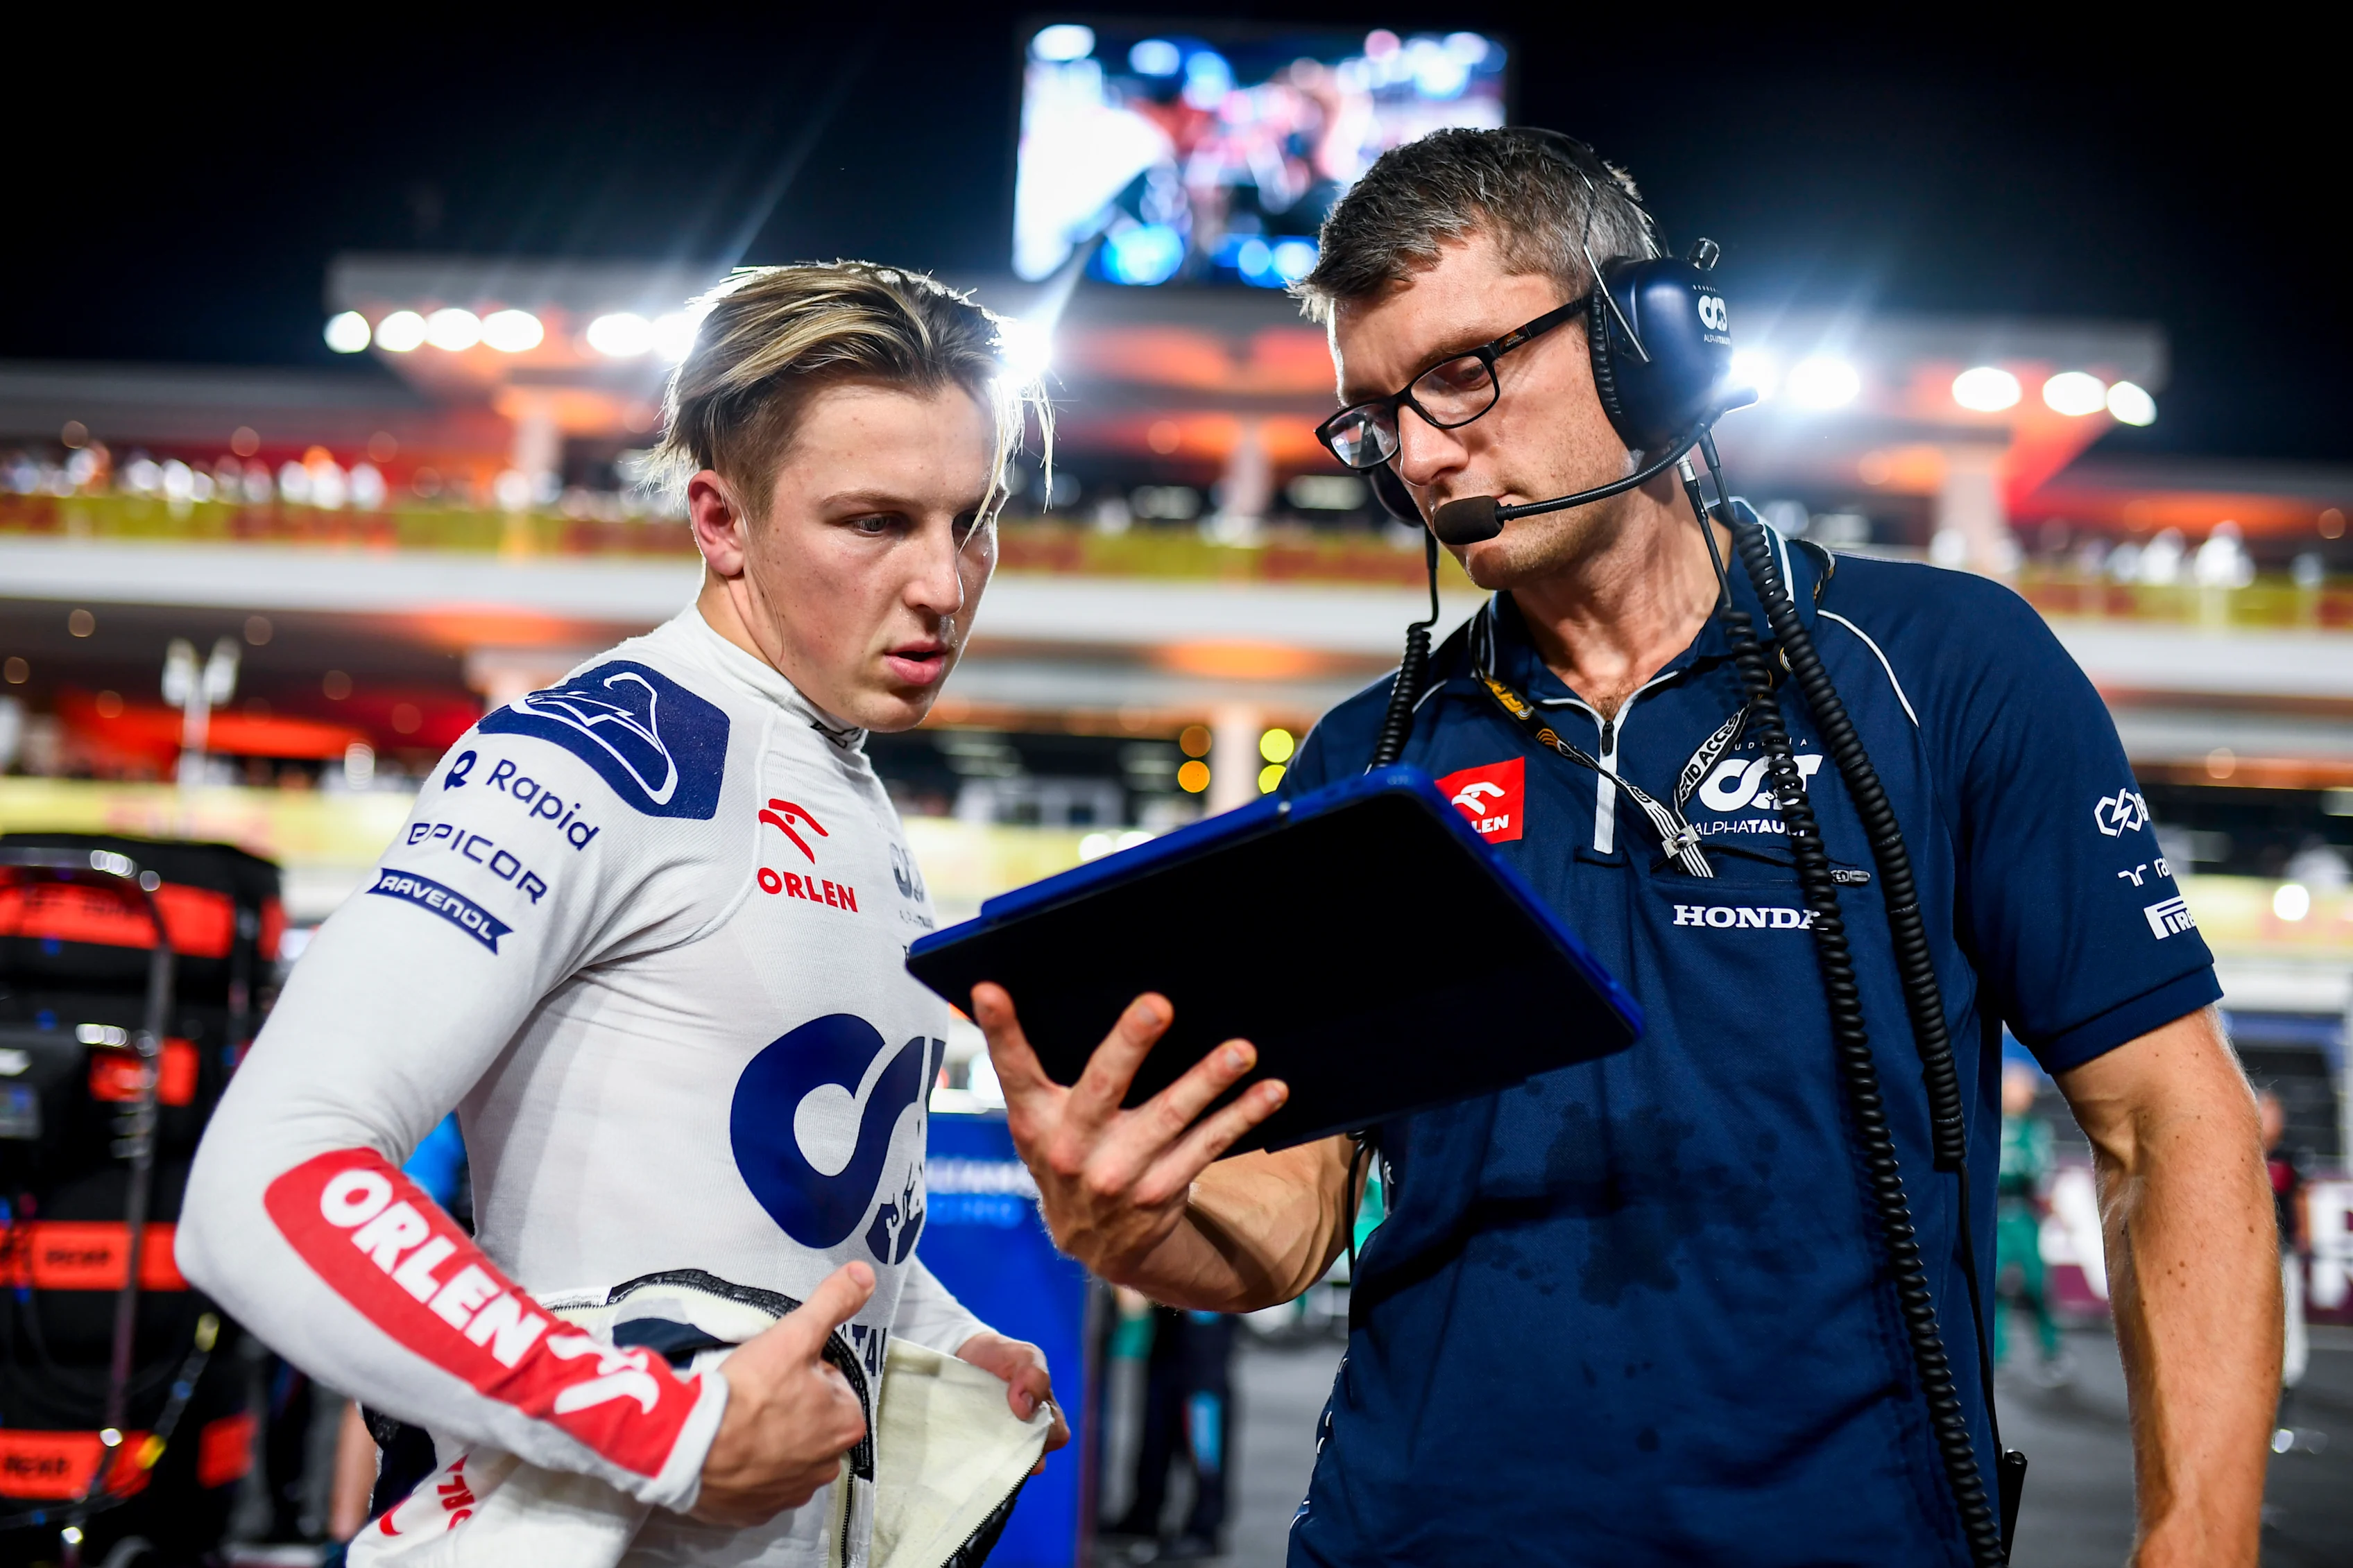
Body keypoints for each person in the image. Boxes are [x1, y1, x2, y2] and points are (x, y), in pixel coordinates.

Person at [972, 128, 2280, 1565]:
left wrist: (2196, 1538)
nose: (1415, 453)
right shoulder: (1374, 756)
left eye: (1464, 371)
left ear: (1640, 343)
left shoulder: (1947, 669)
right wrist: (1123, 1216)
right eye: (1372, 415)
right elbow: (1301, 1210)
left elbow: (2168, 1124)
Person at [178, 261, 1066, 1564]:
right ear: (721, 521)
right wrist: (660, 1425)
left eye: (969, 518)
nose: (944, 582)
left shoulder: (849, 787)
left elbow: (762, 1208)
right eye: (873, 522)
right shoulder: (585, 760)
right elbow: (268, 1176)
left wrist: (935, 1335)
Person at [1993, 1062, 2070, 1384]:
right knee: (1991, 1287)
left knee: (2037, 1285)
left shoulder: (2034, 1130)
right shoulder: (1985, 1124)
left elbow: (2040, 1174)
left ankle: (2052, 1352)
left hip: (2024, 1215)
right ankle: (1995, 1356)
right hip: (1994, 1217)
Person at [2260, 1089, 2311, 1450]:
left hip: (2282, 1251)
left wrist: (2305, 1237)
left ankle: (2284, 1413)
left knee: (2290, 1326)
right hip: (2247, 1256)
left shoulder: (2290, 1156)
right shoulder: (2239, 1150)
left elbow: (2302, 1199)